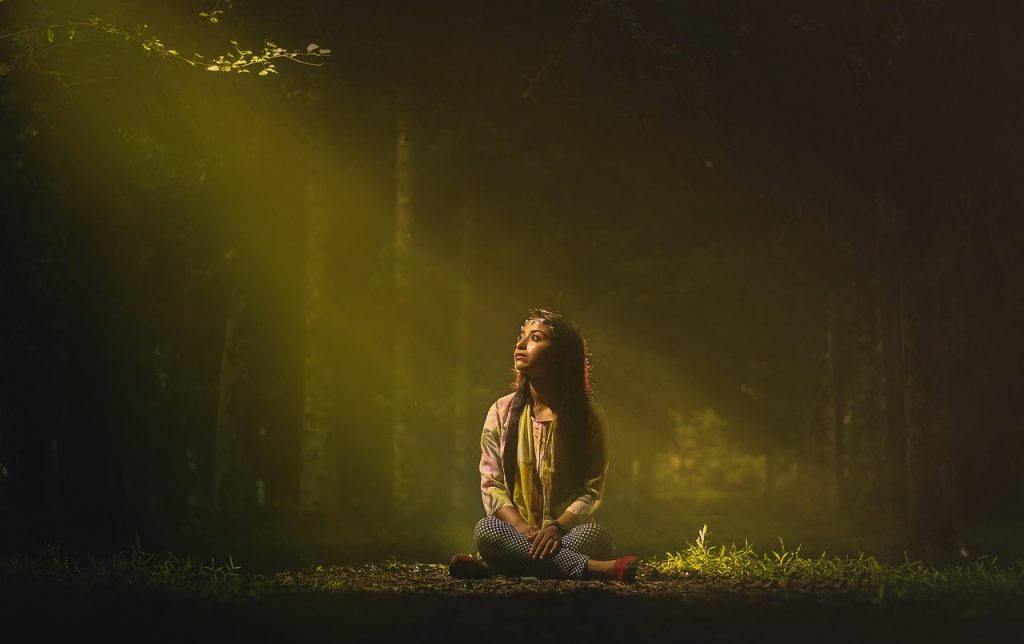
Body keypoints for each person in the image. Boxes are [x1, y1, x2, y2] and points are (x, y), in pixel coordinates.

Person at [448, 308, 639, 582]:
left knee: (595, 535)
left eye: (535, 338)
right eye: (521, 337)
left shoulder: (588, 417)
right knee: (486, 530)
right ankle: (596, 568)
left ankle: (499, 568)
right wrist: (524, 529)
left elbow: (592, 490)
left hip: (568, 533)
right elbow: (492, 485)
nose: (521, 344)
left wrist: (555, 529)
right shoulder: (501, 411)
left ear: (561, 355)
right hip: (515, 531)